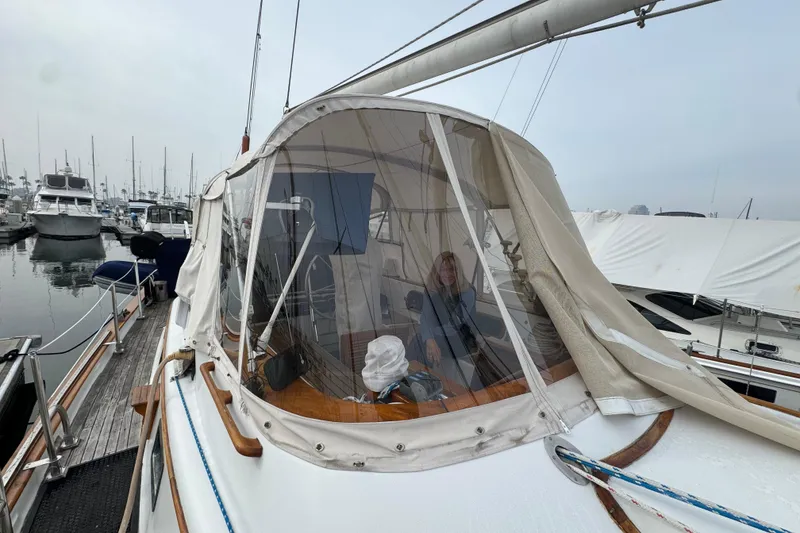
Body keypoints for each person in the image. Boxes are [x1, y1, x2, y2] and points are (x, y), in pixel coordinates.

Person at [408, 251, 480, 388]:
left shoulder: (468, 291)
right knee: (419, 341)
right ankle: (414, 381)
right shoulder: (432, 289)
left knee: (420, 343)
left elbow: (455, 325)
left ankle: (422, 385)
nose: (447, 274)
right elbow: (425, 317)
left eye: (451, 269)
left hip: (461, 339)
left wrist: (430, 338)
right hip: (439, 335)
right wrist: (429, 339)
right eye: (443, 269)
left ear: (458, 271)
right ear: (437, 271)